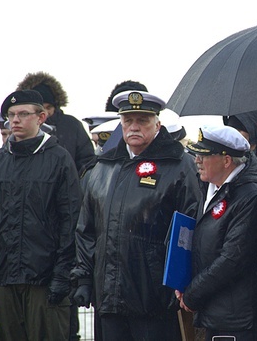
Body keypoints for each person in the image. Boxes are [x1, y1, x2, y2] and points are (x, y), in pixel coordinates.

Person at [71, 90, 200, 340]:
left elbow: (189, 230)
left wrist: (182, 284)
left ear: (157, 124)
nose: (134, 127)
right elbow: (86, 230)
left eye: (142, 120)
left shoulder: (178, 165)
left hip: (154, 298)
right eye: (128, 121)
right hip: (108, 296)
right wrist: (83, 278)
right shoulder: (103, 167)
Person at [0, 90, 82, 340]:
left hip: (44, 280)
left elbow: (70, 221)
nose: (15, 120)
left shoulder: (59, 159)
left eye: (22, 114)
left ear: (41, 117)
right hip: (5, 279)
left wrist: (63, 275)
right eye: (11, 115)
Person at [178, 125, 257, 341]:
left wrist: (193, 293)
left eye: (203, 155)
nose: (196, 161)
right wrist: (183, 281)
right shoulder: (212, 188)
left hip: (238, 319)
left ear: (226, 160)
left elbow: (233, 259)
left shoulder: (252, 196)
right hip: (217, 313)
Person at [16, 71, 95, 173]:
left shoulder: (72, 125)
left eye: (49, 107)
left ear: (56, 105)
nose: (45, 112)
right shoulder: (19, 126)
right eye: (40, 108)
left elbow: (87, 162)